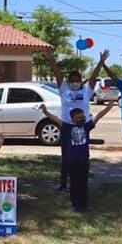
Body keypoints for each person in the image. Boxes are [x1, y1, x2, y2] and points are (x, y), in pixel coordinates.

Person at [45, 50, 105, 190]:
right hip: (66, 127)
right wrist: (51, 60)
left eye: (77, 80)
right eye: (72, 80)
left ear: (80, 81)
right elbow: (57, 74)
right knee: (66, 157)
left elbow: (94, 76)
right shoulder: (64, 89)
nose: (74, 83)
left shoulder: (86, 91)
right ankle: (63, 184)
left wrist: (101, 62)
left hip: (82, 127)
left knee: (81, 157)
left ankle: (80, 182)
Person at [39, 102, 115, 212]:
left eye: (83, 117)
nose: (82, 119)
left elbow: (98, 116)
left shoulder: (87, 126)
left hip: (84, 160)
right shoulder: (67, 127)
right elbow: (55, 118)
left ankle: (84, 204)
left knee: (83, 183)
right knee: (74, 183)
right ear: (73, 119)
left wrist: (108, 107)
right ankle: (75, 204)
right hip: (72, 161)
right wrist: (45, 112)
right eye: (79, 117)